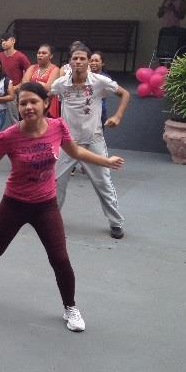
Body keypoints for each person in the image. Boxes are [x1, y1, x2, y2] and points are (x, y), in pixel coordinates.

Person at [0, 82, 125, 332]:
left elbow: (75, 152)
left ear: (45, 103)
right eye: (23, 103)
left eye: (33, 101)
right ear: (18, 108)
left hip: (45, 206)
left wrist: (105, 161)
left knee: (60, 258)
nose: (28, 107)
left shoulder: (57, 127)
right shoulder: (8, 137)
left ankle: (70, 308)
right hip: (14, 204)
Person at [51, 44, 131, 239]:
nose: (78, 62)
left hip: (93, 140)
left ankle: (116, 223)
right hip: (67, 142)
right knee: (56, 182)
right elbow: (46, 95)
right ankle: (50, 220)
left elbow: (125, 94)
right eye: (75, 58)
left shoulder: (99, 82)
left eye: (82, 59)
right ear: (69, 61)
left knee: (103, 182)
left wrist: (118, 116)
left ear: (88, 62)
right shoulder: (61, 83)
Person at [22, 43, 59, 118]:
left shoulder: (55, 69)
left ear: (51, 56)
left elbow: (48, 88)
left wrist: (32, 83)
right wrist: (41, 84)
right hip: (31, 101)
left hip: (48, 103)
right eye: (39, 53)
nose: (40, 55)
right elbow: (24, 84)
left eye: (44, 53)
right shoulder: (32, 67)